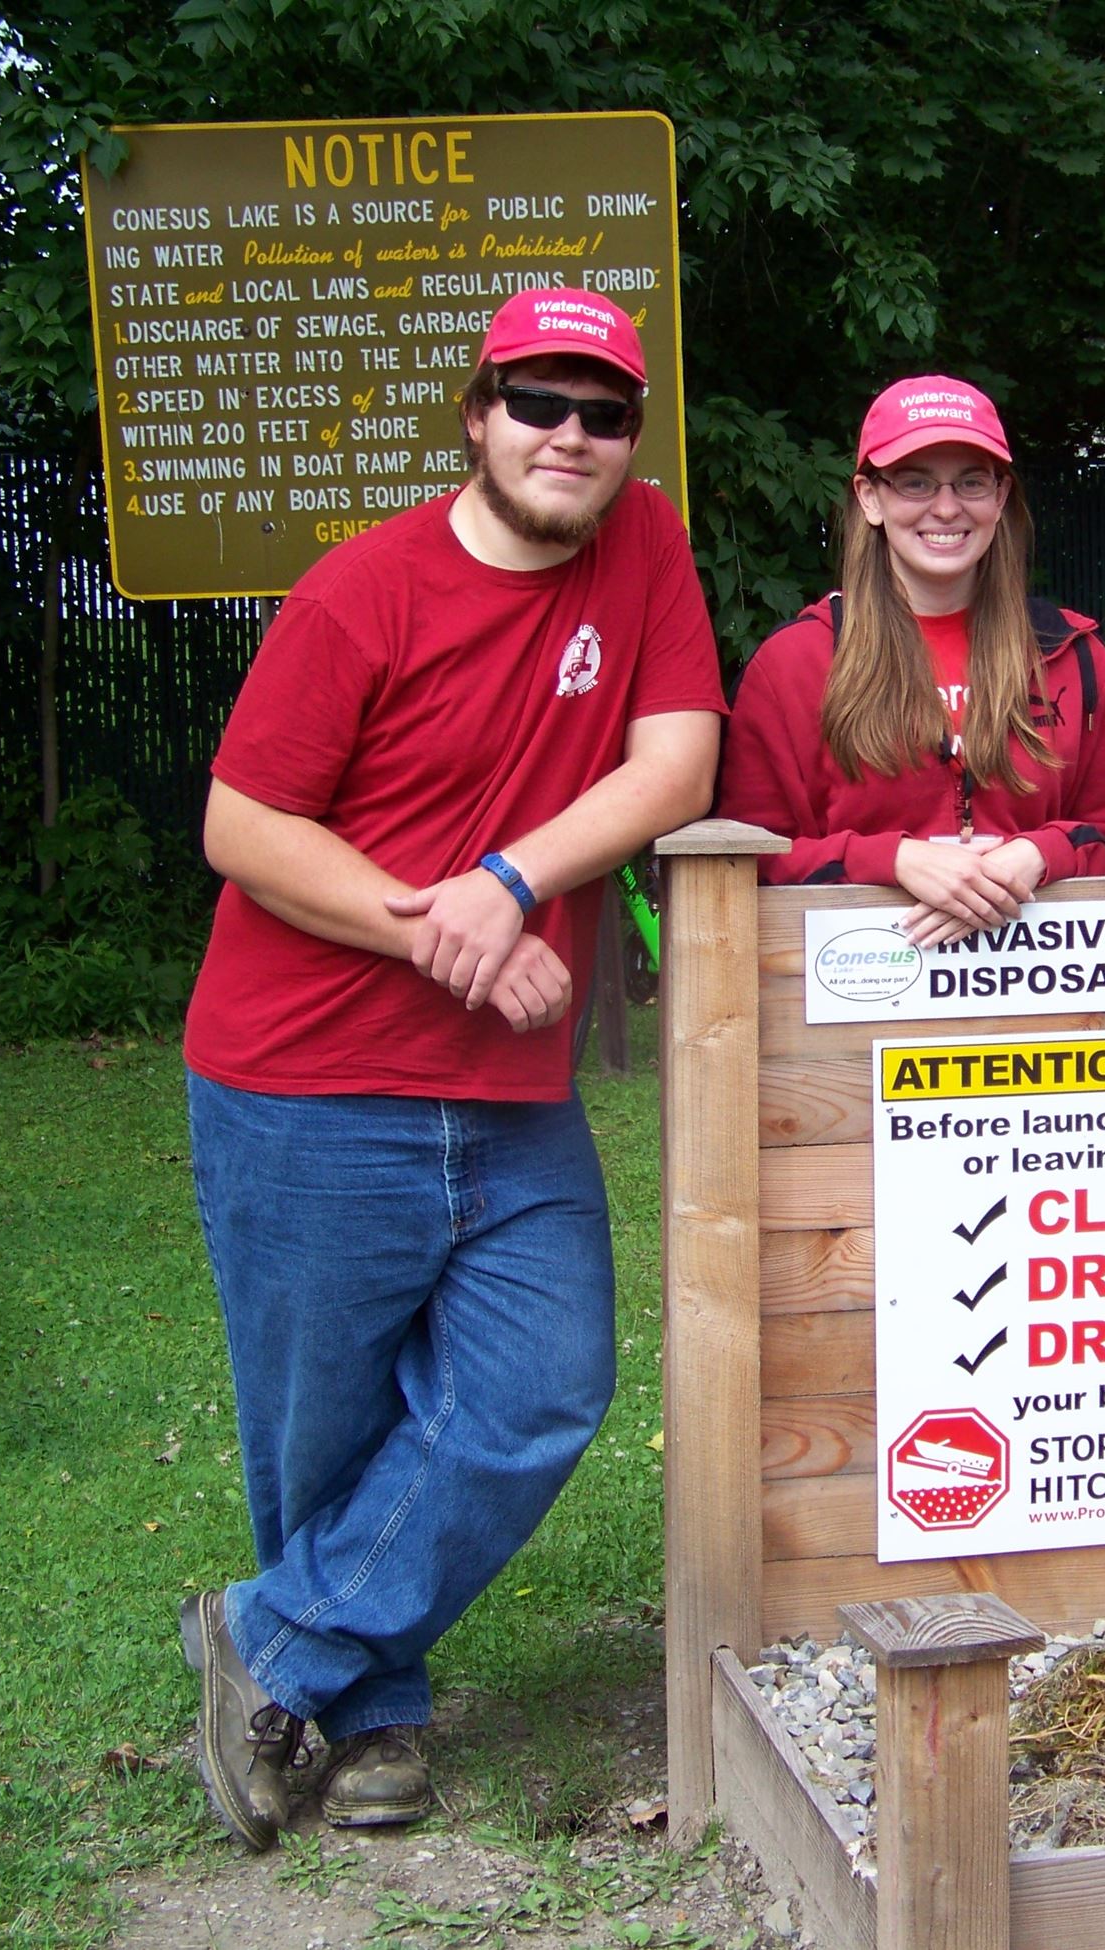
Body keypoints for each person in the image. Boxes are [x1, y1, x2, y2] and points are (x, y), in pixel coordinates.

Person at [176, 287, 724, 1847]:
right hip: (306, 1074)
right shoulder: (362, 592)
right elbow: (244, 830)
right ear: (477, 416)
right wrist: (447, 930)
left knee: (542, 1388)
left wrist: (506, 879)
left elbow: (674, 761)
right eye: (538, 405)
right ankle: (368, 1719)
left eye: (603, 412)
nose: (572, 436)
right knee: (328, 1421)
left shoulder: (644, 547)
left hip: (507, 1088)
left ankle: (267, 1647)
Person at [714, 376, 1105, 935]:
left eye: (970, 483)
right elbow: (744, 859)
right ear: (871, 497)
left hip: (1043, 993)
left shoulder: (1072, 655)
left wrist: (1041, 853)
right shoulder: (793, 664)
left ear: (1000, 497)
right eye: (915, 484)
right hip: (851, 995)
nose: (946, 508)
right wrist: (892, 861)